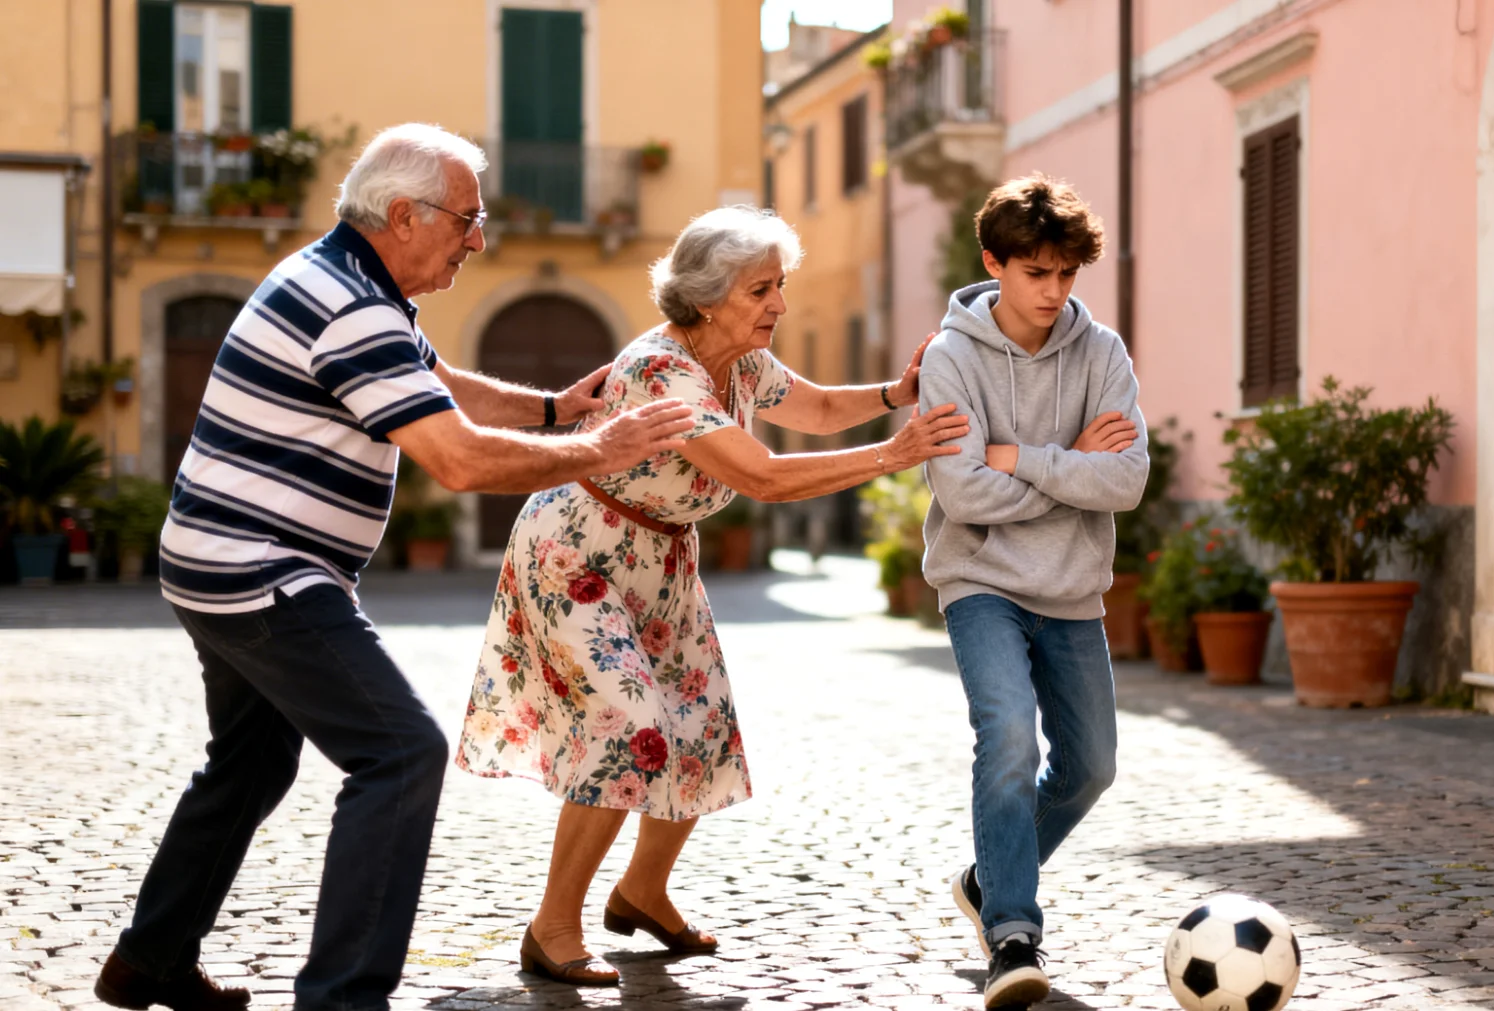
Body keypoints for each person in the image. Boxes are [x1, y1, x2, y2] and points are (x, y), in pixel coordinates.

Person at [94, 123, 695, 1011]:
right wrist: (601, 448)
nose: (477, 239)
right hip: (265, 572)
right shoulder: (354, 308)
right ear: (405, 215)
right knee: (401, 753)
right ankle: (342, 999)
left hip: (214, 560)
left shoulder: (348, 284)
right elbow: (459, 459)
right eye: (467, 219)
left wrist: (555, 408)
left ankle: (149, 959)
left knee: (250, 763)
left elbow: (437, 381)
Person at [455, 205, 969, 986]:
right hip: (578, 553)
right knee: (628, 727)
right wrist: (893, 455)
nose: (779, 304)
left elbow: (816, 407)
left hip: (660, 559)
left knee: (700, 728)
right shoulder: (661, 371)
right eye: (761, 289)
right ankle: (551, 924)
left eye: (779, 285)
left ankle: (642, 890)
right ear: (705, 296)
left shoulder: (743, 363)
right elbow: (761, 477)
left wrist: (895, 392)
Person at [916, 174, 1148, 1009]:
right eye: (1035, 272)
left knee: (1091, 767)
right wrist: (1072, 464)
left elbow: (1126, 479)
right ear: (994, 263)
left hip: (1072, 590)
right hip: (980, 581)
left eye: (1066, 274)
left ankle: (990, 877)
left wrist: (1019, 457)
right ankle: (1012, 933)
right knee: (1009, 733)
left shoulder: (1103, 352)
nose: (1054, 291)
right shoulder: (950, 358)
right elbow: (963, 492)